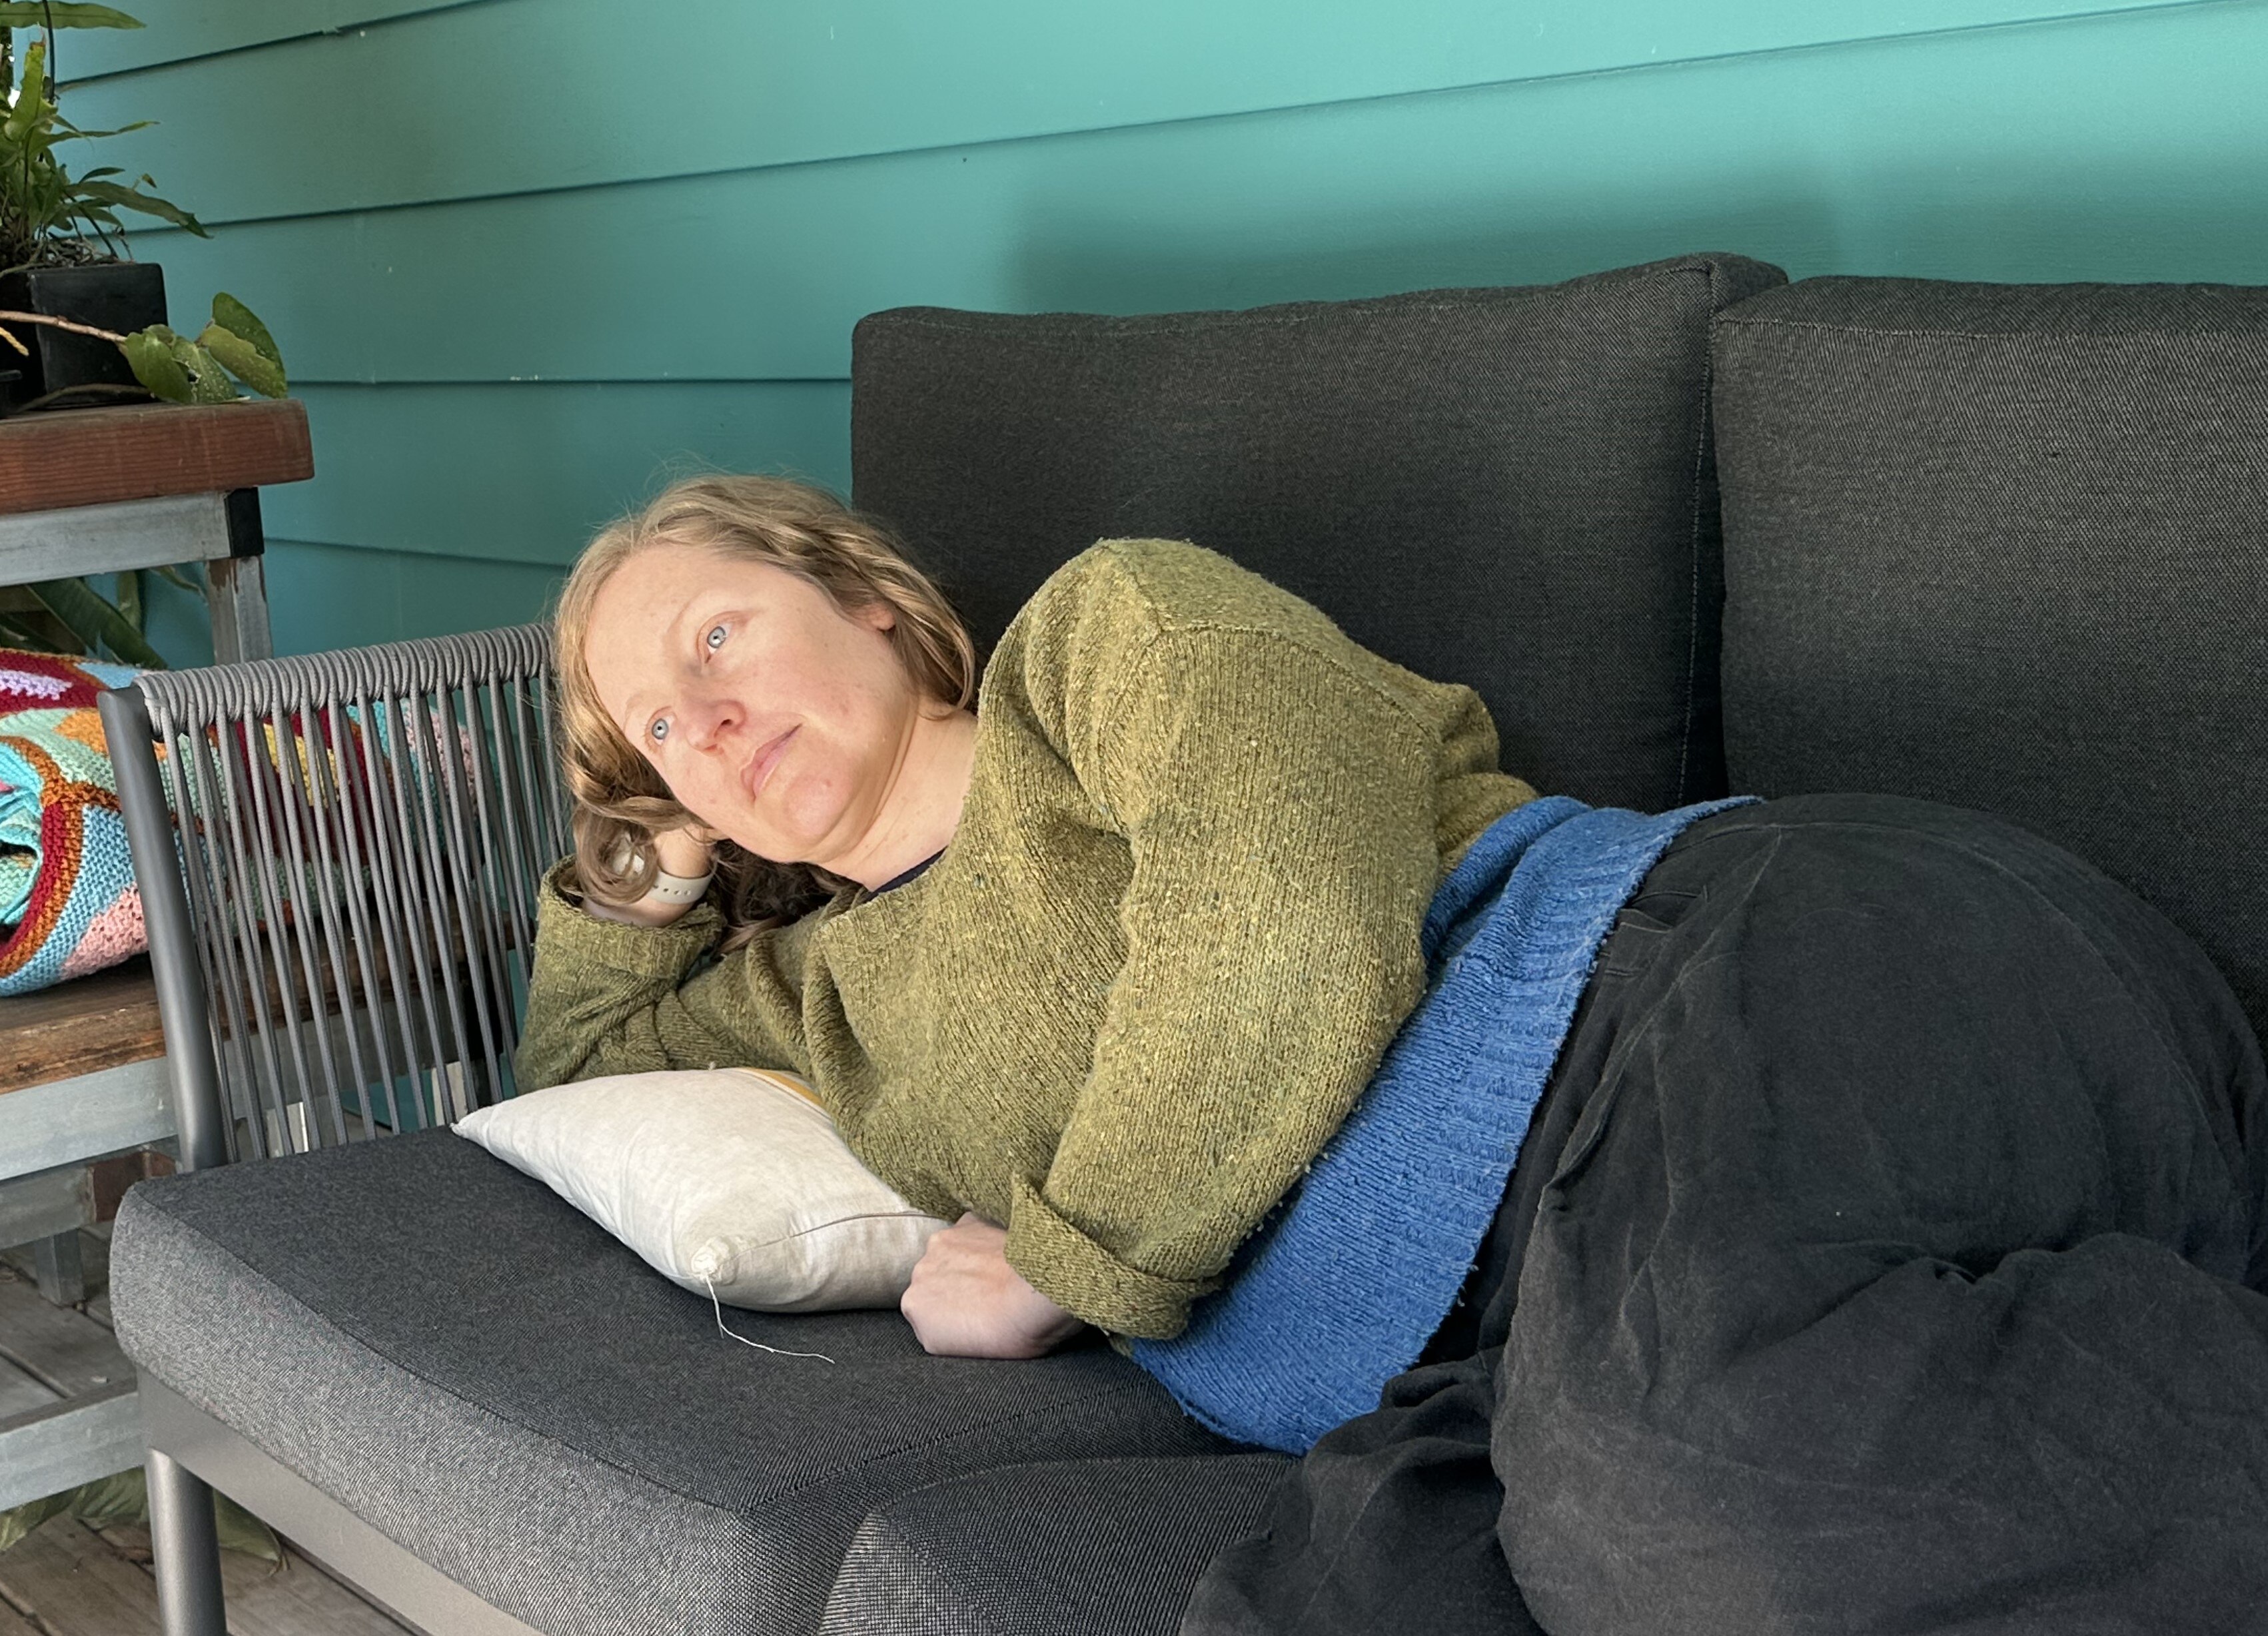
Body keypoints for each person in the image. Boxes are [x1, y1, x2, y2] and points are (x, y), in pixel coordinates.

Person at [518, 472, 2268, 1634]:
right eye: (662, 727)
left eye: (717, 638)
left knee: (1709, 1497)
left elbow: (1278, 900)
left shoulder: (1108, 634)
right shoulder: (810, 994)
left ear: (873, 603)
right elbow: (583, 1052)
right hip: (1490, 1331)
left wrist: (1068, 1261)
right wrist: (647, 843)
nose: (711, 720)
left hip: (1703, 969)